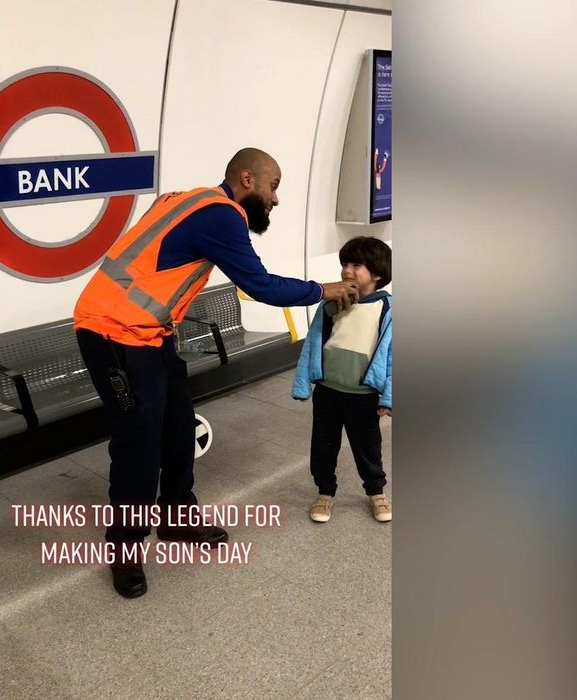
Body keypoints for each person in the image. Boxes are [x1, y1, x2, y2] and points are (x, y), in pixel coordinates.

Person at [72, 147, 361, 598]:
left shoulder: (186, 199)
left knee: (178, 428)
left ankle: (176, 518)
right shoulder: (222, 215)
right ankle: (125, 547)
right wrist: (324, 289)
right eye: (273, 187)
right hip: (114, 335)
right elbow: (261, 286)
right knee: (139, 445)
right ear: (247, 179)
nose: (275, 199)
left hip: (150, 334)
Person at [292, 236, 393, 523]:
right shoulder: (331, 304)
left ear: (377, 273)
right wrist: (303, 383)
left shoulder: (387, 309)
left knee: (367, 447)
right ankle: (325, 492)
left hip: (363, 395)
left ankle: (376, 491)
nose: (347, 270)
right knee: (323, 446)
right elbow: (313, 344)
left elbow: (393, 356)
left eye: (356, 265)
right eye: (344, 264)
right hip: (328, 391)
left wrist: (389, 396)